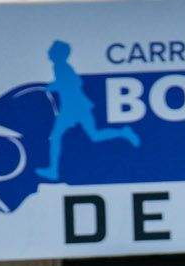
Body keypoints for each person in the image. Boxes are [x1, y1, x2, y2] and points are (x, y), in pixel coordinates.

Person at [35, 40, 140, 181]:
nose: (49, 52)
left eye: (52, 50)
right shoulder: (60, 66)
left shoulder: (61, 67)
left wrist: (54, 86)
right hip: (75, 107)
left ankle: (53, 170)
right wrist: (55, 86)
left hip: (75, 108)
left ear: (58, 54)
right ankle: (123, 132)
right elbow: (74, 82)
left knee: (57, 137)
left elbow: (74, 82)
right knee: (92, 135)